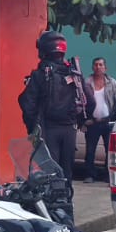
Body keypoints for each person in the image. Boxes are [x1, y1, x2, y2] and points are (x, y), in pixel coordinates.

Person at [19, 30, 90, 183]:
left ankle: (53, 197)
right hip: (70, 130)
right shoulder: (74, 73)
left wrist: (32, 127)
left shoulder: (39, 74)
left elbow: (27, 102)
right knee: (66, 173)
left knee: (50, 172)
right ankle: (66, 197)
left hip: (47, 129)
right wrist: (79, 121)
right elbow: (90, 101)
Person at [81, 57, 116, 182]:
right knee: (90, 150)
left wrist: (114, 117)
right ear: (92, 67)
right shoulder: (86, 83)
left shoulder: (112, 83)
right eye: (96, 65)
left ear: (105, 68)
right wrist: (84, 120)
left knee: (110, 150)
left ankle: (108, 175)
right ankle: (89, 175)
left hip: (108, 122)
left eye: (101, 65)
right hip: (92, 122)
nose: (98, 67)